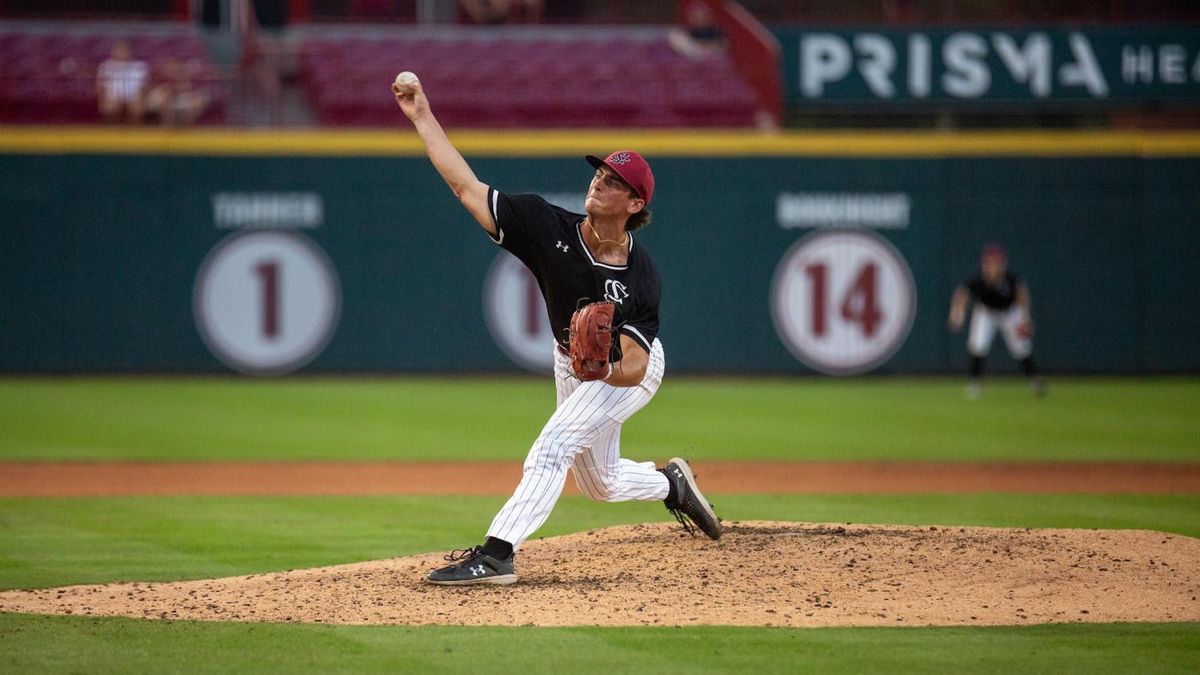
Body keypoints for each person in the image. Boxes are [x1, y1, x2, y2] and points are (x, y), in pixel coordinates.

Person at [391, 73, 722, 586]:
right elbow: (465, 187)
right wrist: (421, 116)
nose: (600, 181)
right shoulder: (547, 226)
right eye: (600, 173)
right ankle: (670, 485)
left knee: (551, 447)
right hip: (571, 358)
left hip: (627, 369)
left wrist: (602, 366)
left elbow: (634, 366)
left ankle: (497, 555)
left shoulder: (641, 276)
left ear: (635, 205)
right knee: (601, 483)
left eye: (615, 182)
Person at [948, 243, 1045, 399]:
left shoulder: (1011, 278)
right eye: (991, 263)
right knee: (978, 345)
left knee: (1021, 348)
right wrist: (957, 314)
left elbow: (1023, 295)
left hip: (1010, 313)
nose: (994, 267)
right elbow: (961, 295)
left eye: (998, 263)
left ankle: (1035, 380)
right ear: (985, 264)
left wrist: (1025, 318)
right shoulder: (978, 279)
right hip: (986, 312)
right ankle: (974, 384)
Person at [96, 40, 149, 124]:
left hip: (134, 96)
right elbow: (100, 86)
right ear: (114, 52)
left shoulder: (140, 66)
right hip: (112, 96)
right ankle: (110, 132)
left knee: (138, 107)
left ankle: (135, 133)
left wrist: (142, 98)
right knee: (109, 106)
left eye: (124, 50)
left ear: (130, 52)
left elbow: (145, 86)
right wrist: (103, 97)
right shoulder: (106, 66)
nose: (122, 53)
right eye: (119, 50)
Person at [145, 58, 208, 126]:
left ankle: (188, 126)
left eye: (174, 66)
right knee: (164, 96)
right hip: (163, 100)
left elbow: (188, 90)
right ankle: (167, 125)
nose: (172, 68)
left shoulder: (181, 76)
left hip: (178, 99)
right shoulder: (160, 76)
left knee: (198, 101)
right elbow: (154, 89)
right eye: (170, 66)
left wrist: (178, 88)